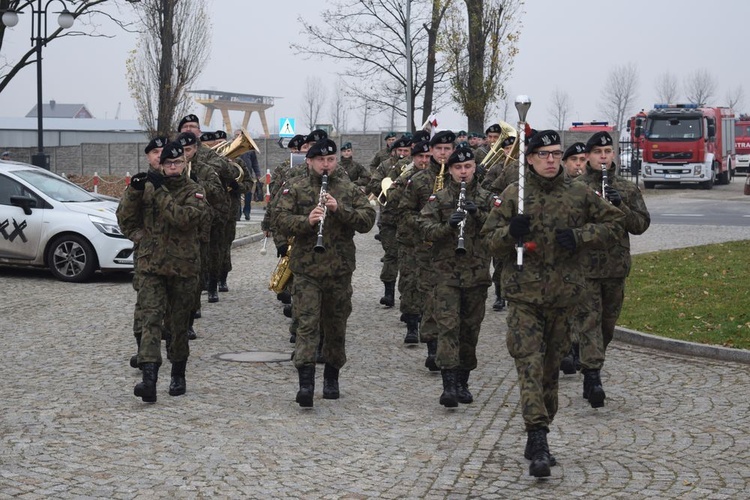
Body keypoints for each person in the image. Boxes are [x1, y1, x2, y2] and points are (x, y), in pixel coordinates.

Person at [480, 129, 624, 477]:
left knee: (549, 371)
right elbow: (487, 239)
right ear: (529, 158)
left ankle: (539, 430)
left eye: (555, 154)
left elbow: (615, 223)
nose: (550, 160)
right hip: (524, 297)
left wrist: (580, 237)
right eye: (543, 154)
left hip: (564, 296)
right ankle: (539, 437)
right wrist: (509, 233)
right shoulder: (515, 194)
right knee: (528, 365)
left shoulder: (578, 193)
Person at [274, 138, 375, 407]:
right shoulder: (294, 188)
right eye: (321, 160)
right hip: (306, 269)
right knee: (307, 324)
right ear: (310, 161)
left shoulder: (348, 189)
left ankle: (332, 376)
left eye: (331, 160)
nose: (326, 165)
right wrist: (306, 221)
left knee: (335, 325)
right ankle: (305, 383)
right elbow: (279, 219)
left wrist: (339, 210)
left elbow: (367, 220)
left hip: (339, 270)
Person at [116, 141, 207, 403]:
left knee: (178, 325)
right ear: (161, 165)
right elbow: (124, 218)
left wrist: (158, 190)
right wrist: (134, 192)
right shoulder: (147, 188)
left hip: (183, 268)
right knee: (150, 321)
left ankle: (178, 373)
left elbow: (182, 218)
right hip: (151, 267)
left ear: (184, 163)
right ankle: (149, 379)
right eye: (168, 163)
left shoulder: (195, 191)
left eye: (178, 162)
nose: (173, 167)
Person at [574, 131, 651, 407]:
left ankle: (591, 366)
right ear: (589, 156)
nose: (603, 157)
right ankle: (593, 376)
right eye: (598, 152)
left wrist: (622, 206)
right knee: (589, 323)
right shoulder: (576, 187)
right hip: (585, 269)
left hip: (615, 268)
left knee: (607, 326)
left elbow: (641, 224)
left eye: (608, 152)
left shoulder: (627, 188)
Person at [419, 146, 494, 407]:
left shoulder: (487, 198)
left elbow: (499, 230)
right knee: (448, 328)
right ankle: (448, 385)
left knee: (469, 331)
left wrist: (479, 215)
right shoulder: (437, 200)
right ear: (450, 170)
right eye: (458, 168)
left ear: (475, 167)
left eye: (468, 167)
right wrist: (447, 226)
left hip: (477, 275)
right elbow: (425, 229)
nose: (464, 172)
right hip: (446, 276)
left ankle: (463, 381)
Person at [398, 130, 456, 369]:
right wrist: (425, 225)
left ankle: (449, 348)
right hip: (425, 248)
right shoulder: (419, 180)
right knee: (429, 297)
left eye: (447, 149)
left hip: (454, 250)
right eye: (439, 149)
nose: (443, 154)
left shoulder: (462, 176)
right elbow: (404, 212)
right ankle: (432, 347)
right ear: (431, 150)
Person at [117, 136, 169, 369]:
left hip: (178, 256)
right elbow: (125, 218)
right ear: (148, 156)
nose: (159, 155)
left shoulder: (181, 180)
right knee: (146, 305)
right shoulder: (140, 183)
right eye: (154, 152)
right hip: (148, 256)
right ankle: (144, 351)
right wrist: (142, 239)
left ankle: (175, 352)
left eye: (163, 151)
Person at [388, 139, 431, 344]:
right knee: (409, 281)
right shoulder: (406, 176)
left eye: (427, 157)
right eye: (420, 157)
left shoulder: (440, 177)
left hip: (433, 240)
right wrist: (403, 182)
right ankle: (412, 325)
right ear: (413, 158)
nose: (424, 160)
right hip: (410, 239)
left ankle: (427, 322)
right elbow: (392, 200)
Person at [367, 135, 412, 308]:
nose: (402, 154)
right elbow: (373, 183)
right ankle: (388, 292)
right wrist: (389, 186)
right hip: (389, 218)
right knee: (391, 254)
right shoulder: (385, 165)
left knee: (408, 258)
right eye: (399, 150)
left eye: (405, 151)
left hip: (408, 218)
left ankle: (407, 295)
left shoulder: (415, 166)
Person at [558, 142, 589, 375]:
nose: (579, 165)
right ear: (565, 163)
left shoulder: (589, 191)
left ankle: (579, 350)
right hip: (562, 259)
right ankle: (566, 350)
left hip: (588, 259)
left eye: (582, 160)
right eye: (574, 161)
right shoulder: (560, 189)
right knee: (565, 307)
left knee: (584, 309)